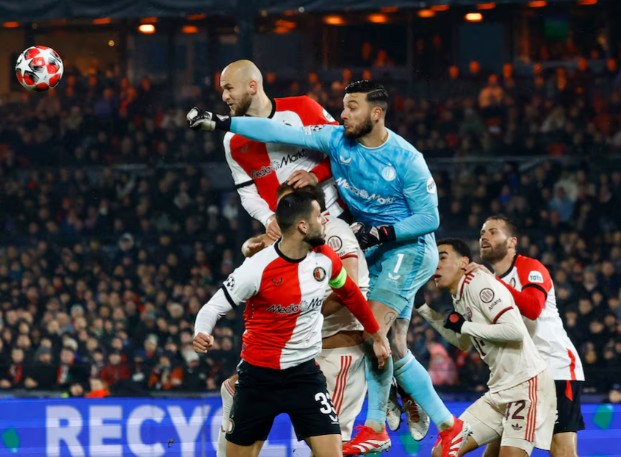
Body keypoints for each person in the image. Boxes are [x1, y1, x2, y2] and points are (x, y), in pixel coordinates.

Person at [188, 79, 468, 456]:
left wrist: (381, 231)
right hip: (374, 245)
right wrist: (223, 123)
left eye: (352, 107)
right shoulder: (337, 140)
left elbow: (429, 218)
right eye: (343, 106)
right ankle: (449, 424)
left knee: (374, 330)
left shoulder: (406, 158)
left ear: (376, 112)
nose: (343, 114)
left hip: (408, 249)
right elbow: (275, 129)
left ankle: (375, 427)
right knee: (395, 346)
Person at [193, 190, 390, 457]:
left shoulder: (325, 258)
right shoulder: (257, 268)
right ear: (302, 226)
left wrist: (377, 335)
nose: (325, 220)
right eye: (319, 216)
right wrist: (202, 331)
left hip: (305, 376)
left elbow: (351, 295)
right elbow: (213, 307)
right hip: (259, 377)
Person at [417, 238, 556, 457]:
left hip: (525, 385)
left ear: (464, 262)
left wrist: (465, 325)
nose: (437, 265)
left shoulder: (478, 283)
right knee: (442, 451)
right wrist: (424, 310)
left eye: (443, 258)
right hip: (498, 390)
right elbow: (463, 342)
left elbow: (515, 332)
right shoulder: (460, 295)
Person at [467, 215, 585, 457]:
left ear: (512, 242)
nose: (484, 237)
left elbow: (532, 308)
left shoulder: (529, 267)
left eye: (492, 231)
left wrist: (490, 282)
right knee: (497, 451)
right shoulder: (493, 284)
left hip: (555, 367)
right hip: (519, 377)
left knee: (561, 450)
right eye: (481, 233)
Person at [219, 59, 345, 240]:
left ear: (252, 87)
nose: (224, 96)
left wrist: (316, 175)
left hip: (334, 215)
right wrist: (268, 219)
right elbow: (247, 193)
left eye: (229, 88)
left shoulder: (303, 107)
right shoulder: (232, 141)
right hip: (291, 235)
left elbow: (343, 150)